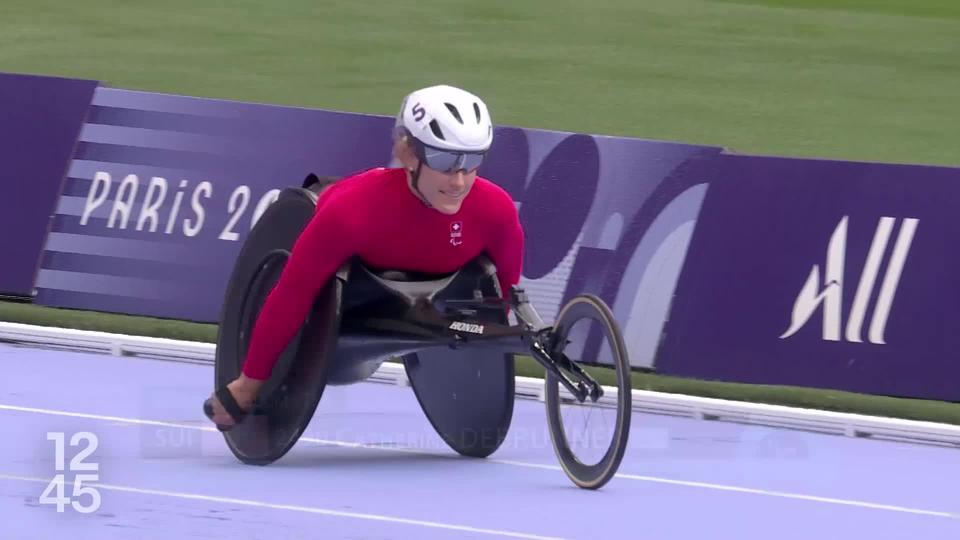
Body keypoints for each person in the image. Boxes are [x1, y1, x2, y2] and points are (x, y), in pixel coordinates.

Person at [204, 84, 525, 430]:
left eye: (472, 162)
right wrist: (248, 385)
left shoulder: (496, 210)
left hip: (423, 297)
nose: (460, 181)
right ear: (409, 154)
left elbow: (505, 294)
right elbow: (292, 293)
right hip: (350, 279)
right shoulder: (350, 213)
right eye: (445, 162)